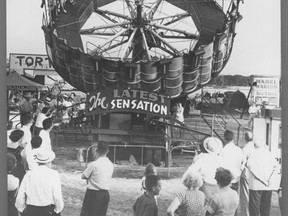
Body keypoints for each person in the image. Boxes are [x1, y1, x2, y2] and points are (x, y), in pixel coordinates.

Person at [15, 148, 64, 216]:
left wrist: (22, 209)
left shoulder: (29, 174)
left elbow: (20, 196)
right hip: (48, 210)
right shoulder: (54, 175)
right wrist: (57, 210)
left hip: (31, 210)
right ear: (49, 161)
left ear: (37, 161)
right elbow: (57, 196)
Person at [246, 137, 280, 216]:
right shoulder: (270, 154)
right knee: (265, 210)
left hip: (256, 186)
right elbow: (277, 167)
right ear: (264, 145)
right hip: (268, 186)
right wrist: (270, 180)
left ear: (254, 145)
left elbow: (251, 168)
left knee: (254, 210)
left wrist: (262, 180)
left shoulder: (253, 154)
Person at [80, 141, 114, 216]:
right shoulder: (111, 164)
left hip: (93, 193)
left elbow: (83, 176)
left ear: (97, 150)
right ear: (107, 151)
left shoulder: (94, 164)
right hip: (105, 194)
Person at [239, 131, 255, 216]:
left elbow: (243, 163)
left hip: (246, 174)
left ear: (244, 138)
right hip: (255, 175)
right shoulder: (256, 147)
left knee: (245, 196)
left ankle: (246, 214)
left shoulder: (245, 149)